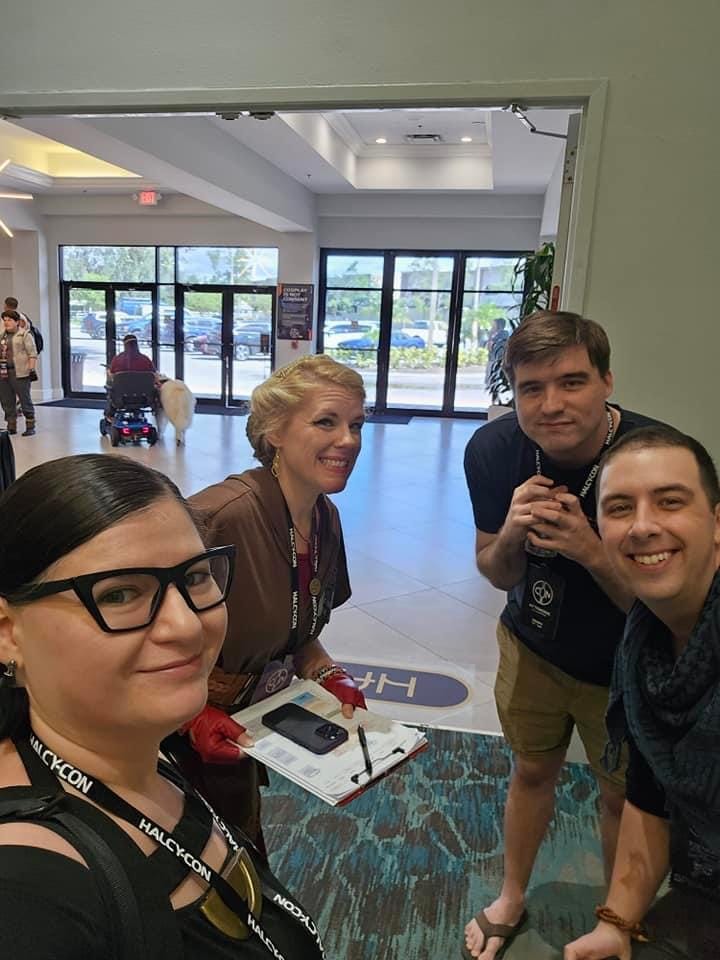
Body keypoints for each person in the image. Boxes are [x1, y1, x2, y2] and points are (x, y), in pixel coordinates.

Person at [0, 453, 326, 960]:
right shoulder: (28, 896)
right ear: (7, 632)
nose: (187, 626)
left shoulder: (134, 752)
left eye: (195, 577)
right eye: (120, 593)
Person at [462, 311, 662, 959]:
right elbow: (494, 571)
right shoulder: (493, 452)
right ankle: (511, 895)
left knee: (619, 795)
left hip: (629, 665)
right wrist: (514, 534)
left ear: (607, 379)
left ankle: (617, 923)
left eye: (572, 382)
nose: (551, 405)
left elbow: (676, 614)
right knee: (532, 771)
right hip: (532, 647)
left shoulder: (654, 463)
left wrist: (592, 550)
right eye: (530, 388)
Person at [186, 355, 367, 853]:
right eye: (326, 422)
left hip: (245, 726)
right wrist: (190, 714)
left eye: (356, 424)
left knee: (241, 853)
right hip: (167, 739)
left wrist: (326, 671)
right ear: (275, 433)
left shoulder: (324, 518)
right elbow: (126, 634)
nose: (348, 440)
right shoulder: (217, 518)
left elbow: (297, 629)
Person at [565, 426, 720, 960]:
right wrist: (617, 922)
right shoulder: (645, 640)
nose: (644, 527)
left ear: (717, 522)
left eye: (670, 502)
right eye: (620, 508)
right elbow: (650, 789)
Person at [0, 309, 38, 436]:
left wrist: (31, 369)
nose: (6, 322)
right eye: (4, 320)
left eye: (9, 320)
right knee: (6, 400)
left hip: (21, 372)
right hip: (4, 372)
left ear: (17, 322)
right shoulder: (2, 336)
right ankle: (11, 425)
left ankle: (30, 425)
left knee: (24, 399)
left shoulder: (24, 335)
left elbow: (32, 353)